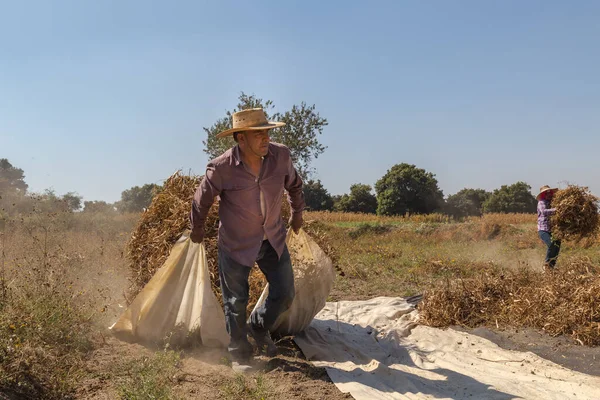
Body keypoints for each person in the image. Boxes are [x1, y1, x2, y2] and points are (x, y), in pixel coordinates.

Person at [189, 108, 304, 370]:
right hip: (235, 244)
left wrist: (297, 213)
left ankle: (259, 327)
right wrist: (197, 229)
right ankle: (239, 353)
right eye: (258, 134)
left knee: (285, 292)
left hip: (272, 238)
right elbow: (201, 199)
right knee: (235, 301)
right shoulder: (221, 168)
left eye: (266, 132)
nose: (265, 138)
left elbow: (295, 185)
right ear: (241, 138)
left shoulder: (281, 156)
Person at [537, 185, 560, 270]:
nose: (549, 195)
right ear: (543, 195)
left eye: (550, 193)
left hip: (553, 229)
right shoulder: (541, 202)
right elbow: (544, 211)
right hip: (543, 229)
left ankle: (551, 266)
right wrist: (556, 209)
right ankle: (546, 265)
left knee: (557, 245)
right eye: (546, 193)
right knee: (551, 244)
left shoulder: (553, 203)